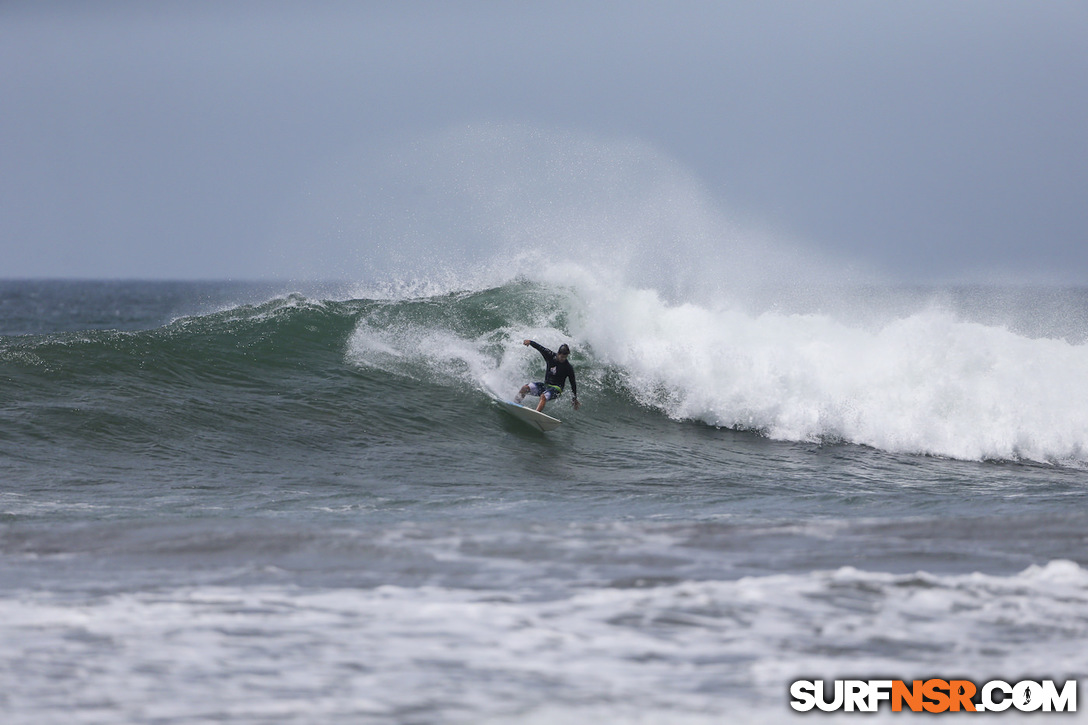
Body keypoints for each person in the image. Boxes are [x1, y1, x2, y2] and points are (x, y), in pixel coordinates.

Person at [515, 339, 581, 413]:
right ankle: (514, 404)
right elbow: (540, 348)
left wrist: (574, 398)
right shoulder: (550, 355)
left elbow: (573, 383)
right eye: (562, 357)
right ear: (558, 354)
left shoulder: (568, 367)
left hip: (557, 389)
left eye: (565, 357)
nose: (563, 359)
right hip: (546, 386)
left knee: (543, 396)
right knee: (525, 388)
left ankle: (536, 414)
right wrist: (530, 342)